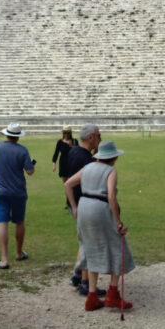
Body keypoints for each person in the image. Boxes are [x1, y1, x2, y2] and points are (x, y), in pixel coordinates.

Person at [66, 141, 135, 311]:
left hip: (84, 207)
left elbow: (68, 184)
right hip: (100, 208)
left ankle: (91, 296)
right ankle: (112, 293)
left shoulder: (88, 167)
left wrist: (74, 207)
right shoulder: (111, 171)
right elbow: (111, 196)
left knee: (90, 248)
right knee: (119, 247)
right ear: (113, 157)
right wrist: (118, 222)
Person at [0, 122, 34, 269]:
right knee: (19, 222)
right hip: (18, 191)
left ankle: (4, 259)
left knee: (2, 223)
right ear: (18, 137)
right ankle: (19, 252)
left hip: (0, 190)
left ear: (6, 134)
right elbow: (29, 171)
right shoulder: (23, 151)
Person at [64, 125, 102, 295]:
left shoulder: (75, 152)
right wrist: (75, 206)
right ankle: (86, 283)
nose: (100, 138)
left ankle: (78, 274)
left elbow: (66, 178)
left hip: (78, 204)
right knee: (89, 244)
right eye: (98, 135)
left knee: (84, 241)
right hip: (83, 206)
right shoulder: (84, 158)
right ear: (91, 137)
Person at [52, 126, 78, 209]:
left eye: (67, 133)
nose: (66, 134)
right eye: (64, 132)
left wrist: (72, 146)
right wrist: (54, 164)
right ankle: (68, 203)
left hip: (72, 163)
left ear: (70, 133)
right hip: (63, 164)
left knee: (72, 184)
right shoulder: (60, 142)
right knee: (66, 184)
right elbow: (56, 153)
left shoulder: (74, 141)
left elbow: (78, 151)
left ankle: (72, 202)